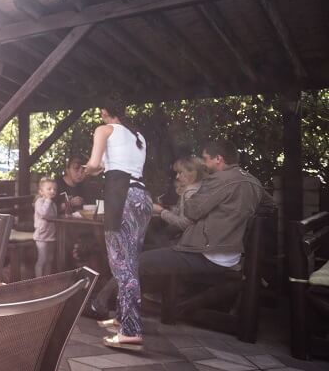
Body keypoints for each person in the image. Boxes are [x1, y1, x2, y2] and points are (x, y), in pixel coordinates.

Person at [139, 138, 275, 295]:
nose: (203, 164)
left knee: (141, 260)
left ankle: (128, 301)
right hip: (232, 254)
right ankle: (166, 297)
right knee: (158, 250)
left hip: (208, 254)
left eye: (205, 159)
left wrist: (188, 191)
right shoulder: (253, 181)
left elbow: (192, 212)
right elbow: (270, 205)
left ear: (218, 159)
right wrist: (238, 218)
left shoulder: (219, 179)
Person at [82, 101, 150, 351]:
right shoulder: (138, 136)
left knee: (122, 264)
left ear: (105, 112)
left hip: (121, 197)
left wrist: (87, 171)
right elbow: (116, 164)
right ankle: (122, 318)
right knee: (130, 262)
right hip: (141, 197)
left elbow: (94, 165)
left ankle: (131, 331)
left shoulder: (104, 130)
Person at [153, 156, 207, 233]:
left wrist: (161, 211)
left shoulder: (191, 193)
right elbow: (181, 214)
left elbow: (185, 224)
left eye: (180, 172)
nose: (177, 176)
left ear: (192, 173)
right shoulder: (199, 189)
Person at [33, 177, 58, 276]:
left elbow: (54, 217)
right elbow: (43, 213)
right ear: (41, 191)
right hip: (41, 236)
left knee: (49, 259)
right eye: (49, 189)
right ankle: (39, 280)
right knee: (42, 259)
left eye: (54, 189)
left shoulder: (53, 204)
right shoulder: (39, 202)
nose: (52, 191)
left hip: (51, 235)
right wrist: (48, 201)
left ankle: (47, 279)